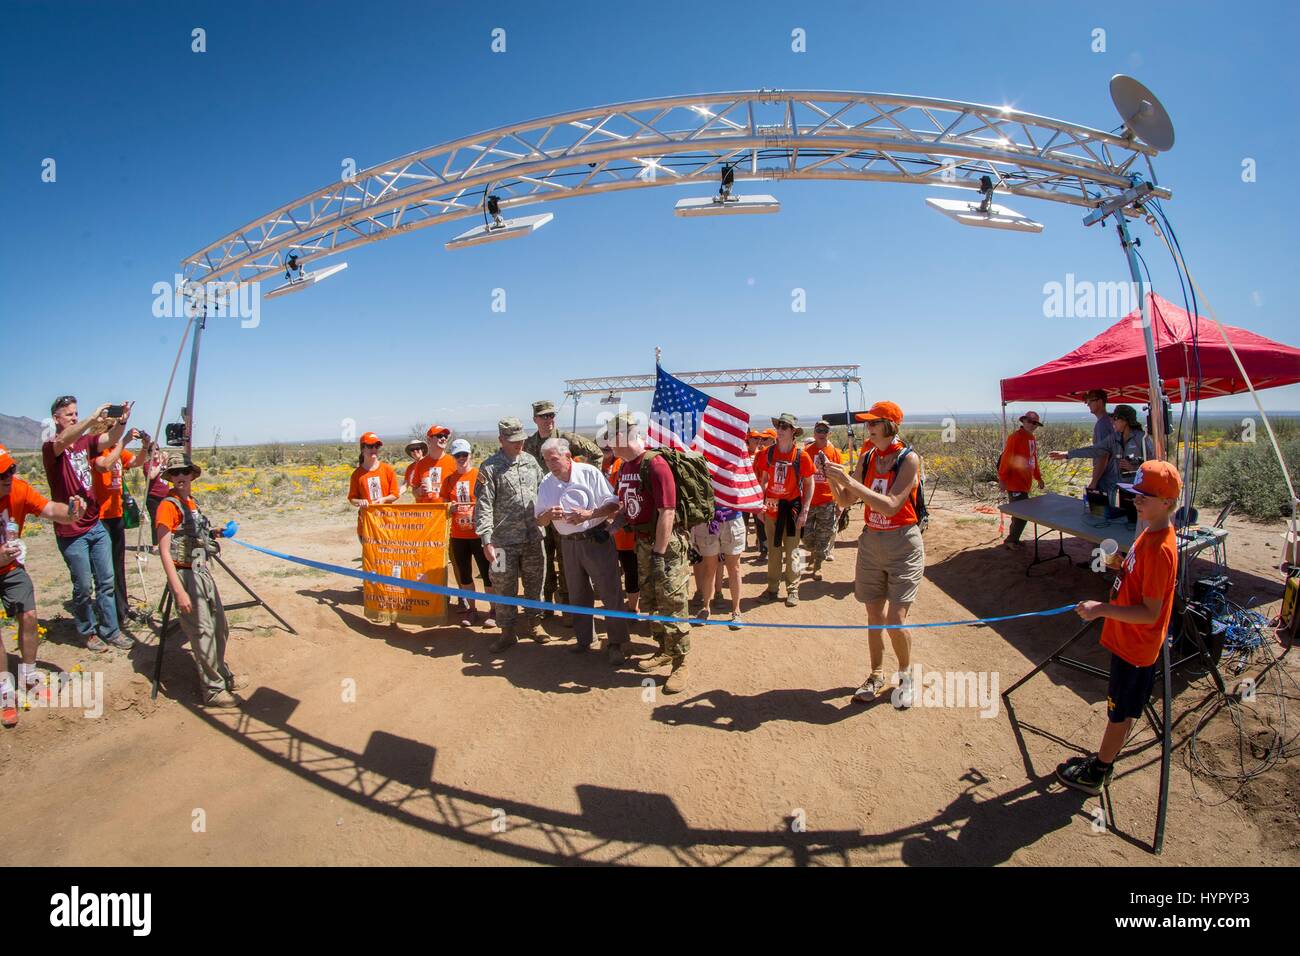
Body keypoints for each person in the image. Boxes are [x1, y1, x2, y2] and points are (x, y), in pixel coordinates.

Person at [1056, 461, 1182, 794]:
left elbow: (1149, 613)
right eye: (1134, 494)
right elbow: (1136, 580)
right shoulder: (1148, 532)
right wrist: (1116, 564)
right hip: (1127, 641)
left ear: (1168, 502)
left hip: (1136, 647)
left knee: (1118, 712)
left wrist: (1101, 610)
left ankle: (1097, 772)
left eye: (1145, 497)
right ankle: (1102, 761)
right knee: (1120, 707)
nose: (1136, 502)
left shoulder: (1161, 548)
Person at [824, 401, 924, 710]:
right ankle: (876, 674)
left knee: (895, 620)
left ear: (890, 425)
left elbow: (892, 505)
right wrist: (831, 476)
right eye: (868, 421)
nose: (869, 426)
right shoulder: (867, 458)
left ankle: (906, 677)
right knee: (873, 616)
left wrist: (850, 480)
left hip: (902, 544)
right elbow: (844, 500)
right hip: (871, 543)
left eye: (874, 422)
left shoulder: (908, 459)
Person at [1, 444, 87, 727]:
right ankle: (4, 693)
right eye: (1, 473)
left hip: (11, 568)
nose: (7, 477)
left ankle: (27, 675)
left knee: (29, 616)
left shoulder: (20, 489)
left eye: (10, 469)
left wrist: (71, 513)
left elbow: (51, 509)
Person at [155, 453, 247, 709]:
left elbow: (196, 533)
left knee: (219, 627)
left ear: (192, 474)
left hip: (203, 572)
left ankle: (222, 674)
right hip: (186, 575)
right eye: (175, 473)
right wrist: (179, 592)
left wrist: (215, 532)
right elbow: (164, 551)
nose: (180, 476)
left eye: (184, 471)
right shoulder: (167, 506)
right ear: (170, 478)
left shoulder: (191, 503)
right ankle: (213, 690)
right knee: (202, 631)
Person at [41, 395, 132, 652]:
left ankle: (111, 630)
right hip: (71, 531)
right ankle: (88, 631)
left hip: (94, 524)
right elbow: (62, 441)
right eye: (69, 414)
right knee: (83, 586)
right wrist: (93, 418)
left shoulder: (84, 442)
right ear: (57, 418)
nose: (74, 417)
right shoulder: (52, 447)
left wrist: (122, 424)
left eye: (76, 413)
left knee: (106, 580)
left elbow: (108, 440)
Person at [610, 412, 692, 694]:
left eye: (612, 436)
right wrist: (609, 529)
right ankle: (663, 649)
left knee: (673, 602)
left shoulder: (655, 464)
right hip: (642, 543)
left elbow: (667, 512)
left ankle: (681, 663)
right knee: (651, 600)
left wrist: (659, 553)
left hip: (665, 546)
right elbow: (626, 506)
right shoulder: (625, 467)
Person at [534, 437, 630, 662]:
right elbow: (539, 519)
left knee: (609, 591)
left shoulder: (589, 473)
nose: (550, 465)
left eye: (554, 459)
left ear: (568, 456)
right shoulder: (547, 482)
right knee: (577, 594)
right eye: (547, 461)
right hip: (568, 545)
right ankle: (585, 639)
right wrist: (549, 515)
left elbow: (615, 504)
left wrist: (590, 514)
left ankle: (617, 643)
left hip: (596, 540)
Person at [524, 400, 603, 622]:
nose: (548, 420)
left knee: (567, 559)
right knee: (542, 557)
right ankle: (546, 604)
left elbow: (596, 454)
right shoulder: (529, 445)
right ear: (535, 420)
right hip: (542, 510)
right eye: (543, 416)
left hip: (567, 511)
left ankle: (568, 606)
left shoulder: (566, 440)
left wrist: (581, 483)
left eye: (551, 415)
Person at [475, 417, 549, 653]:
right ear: (501, 440)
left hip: (533, 537)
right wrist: (486, 540)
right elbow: (484, 506)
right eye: (513, 440)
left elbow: (543, 493)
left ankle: (535, 624)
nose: (519, 444)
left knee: (534, 584)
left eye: (521, 439)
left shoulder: (531, 462)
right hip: (502, 542)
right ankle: (507, 632)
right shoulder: (489, 468)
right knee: (503, 587)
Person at [754, 413, 816, 607]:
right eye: (779, 426)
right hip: (772, 507)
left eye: (784, 427)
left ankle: (793, 589)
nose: (780, 429)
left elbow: (809, 482)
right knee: (773, 551)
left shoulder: (801, 456)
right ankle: (772, 589)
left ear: (793, 432)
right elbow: (763, 481)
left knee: (793, 551)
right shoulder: (768, 454)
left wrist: (805, 510)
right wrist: (760, 506)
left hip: (792, 508)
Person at [93, 426, 152, 623]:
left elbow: (136, 461)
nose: (117, 433)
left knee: (118, 565)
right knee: (105, 569)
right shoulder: (99, 450)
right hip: (100, 517)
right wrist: (123, 442)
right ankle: (109, 615)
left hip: (116, 514)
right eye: (113, 429)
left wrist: (144, 447)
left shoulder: (117, 450)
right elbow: (104, 465)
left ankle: (121, 610)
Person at [441, 438, 495, 629]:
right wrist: (449, 507)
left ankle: (493, 610)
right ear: (453, 457)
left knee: (487, 574)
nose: (462, 458)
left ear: (470, 455)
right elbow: (442, 503)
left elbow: (490, 500)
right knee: (464, 575)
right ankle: (471, 610)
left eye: (464, 454)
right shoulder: (449, 480)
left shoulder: (479, 476)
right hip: (458, 536)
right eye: (458, 455)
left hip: (479, 535)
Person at [1050, 389, 1119, 503]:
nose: (1088, 404)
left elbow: (1102, 455)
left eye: (1090, 401)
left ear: (1100, 402)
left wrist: (1094, 481)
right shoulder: (1108, 421)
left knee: (1101, 515)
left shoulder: (1102, 425)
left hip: (1105, 478)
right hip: (1110, 476)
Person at [689, 504, 746, 630]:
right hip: (708, 520)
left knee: (734, 568)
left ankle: (736, 611)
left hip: (732, 520)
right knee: (709, 568)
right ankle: (705, 608)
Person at [601, 442, 640, 616]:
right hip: (616, 532)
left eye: (609, 449)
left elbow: (620, 500)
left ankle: (633, 608)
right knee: (616, 571)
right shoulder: (614, 466)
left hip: (632, 533)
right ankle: (625, 607)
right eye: (603, 449)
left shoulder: (622, 465)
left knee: (632, 570)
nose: (606, 452)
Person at [802, 420, 844, 577]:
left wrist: (841, 503)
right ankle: (812, 553)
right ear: (813, 433)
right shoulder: (806, 452)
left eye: (824, 431)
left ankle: (817, 565)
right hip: (808, 500)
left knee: (824, 535)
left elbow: (841, 479)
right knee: (805, 535)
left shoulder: (835, 453)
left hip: (827, 501)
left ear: (829, 434)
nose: (821, 433)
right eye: (818, 430)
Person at [998, 410, 1046, 548]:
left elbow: (1033, 459)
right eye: (1030, 421)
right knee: (1021, 514)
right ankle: (1010, 541)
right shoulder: (1015, 437)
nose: (1032, 425)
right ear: (1023, 421)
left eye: (1035, 423)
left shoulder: (1031, 438)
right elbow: (1006, 458)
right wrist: (1002, 479)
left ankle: (1014, 539)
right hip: (1014, 482)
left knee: (1020, 514)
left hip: (1025, 482)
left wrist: (1038, 477)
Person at [347, 432, 399, 537]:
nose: (374, 449)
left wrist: (384, 499)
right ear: (362, 449)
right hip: (366, 525)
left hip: (386, 524)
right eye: (370, 446)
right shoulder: (357, 474)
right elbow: (352, 498)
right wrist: (360, 501)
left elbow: (395, 494)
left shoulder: (387, 469)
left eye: (377, 446)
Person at [406, 425, 453, 503]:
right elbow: (414, 491)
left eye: (445, 436)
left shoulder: (453, 462)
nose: (444, 438)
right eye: (439, 436)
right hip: (426, 512)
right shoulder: (421, 464)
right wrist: (419, 491)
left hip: (445, 512)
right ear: (429, 439)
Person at [1108, 404, 1155, 480]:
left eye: (1115, 418)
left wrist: (1133, 468)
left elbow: (1153, 462)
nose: (1113, 422)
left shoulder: (1142, 438)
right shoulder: (1116, 438)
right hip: (1122, 486)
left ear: (1125, 421)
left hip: (1138, 487)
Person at [144, 443, 171, 549]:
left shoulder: (164, 463)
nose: (155, 451)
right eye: (152, 450)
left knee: (166, 521)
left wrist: (166, 460)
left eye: (157, 449)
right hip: (153, 497)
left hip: (165, 495)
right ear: (149, 452)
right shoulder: (147, 465)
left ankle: (165, 543)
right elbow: (152, 475)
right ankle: (155, 545)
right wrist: (160, 464)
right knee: (155, 520)